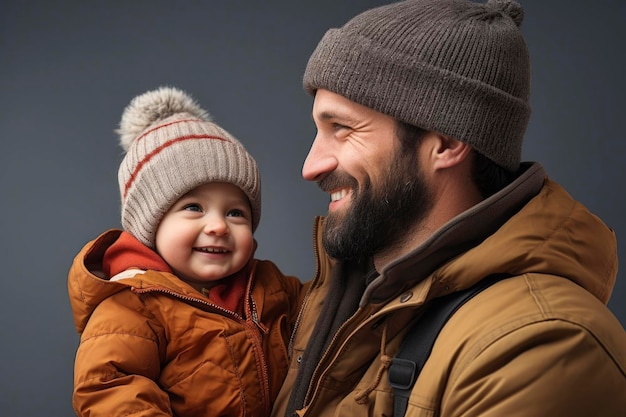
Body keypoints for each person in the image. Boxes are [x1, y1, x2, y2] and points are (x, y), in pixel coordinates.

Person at [271, 0, 626, 416]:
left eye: (342, 129)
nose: (311, 167)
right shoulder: (334, 303)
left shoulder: (541, 345)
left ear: (446, 142)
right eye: (319, 129)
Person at [68, 86, 305, 417]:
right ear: (150, 225)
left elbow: (331, 308)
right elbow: (110, 390)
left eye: (236, 213)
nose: (219, 226)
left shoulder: (272, 287)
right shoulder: (134, 305)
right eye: (194, 207)